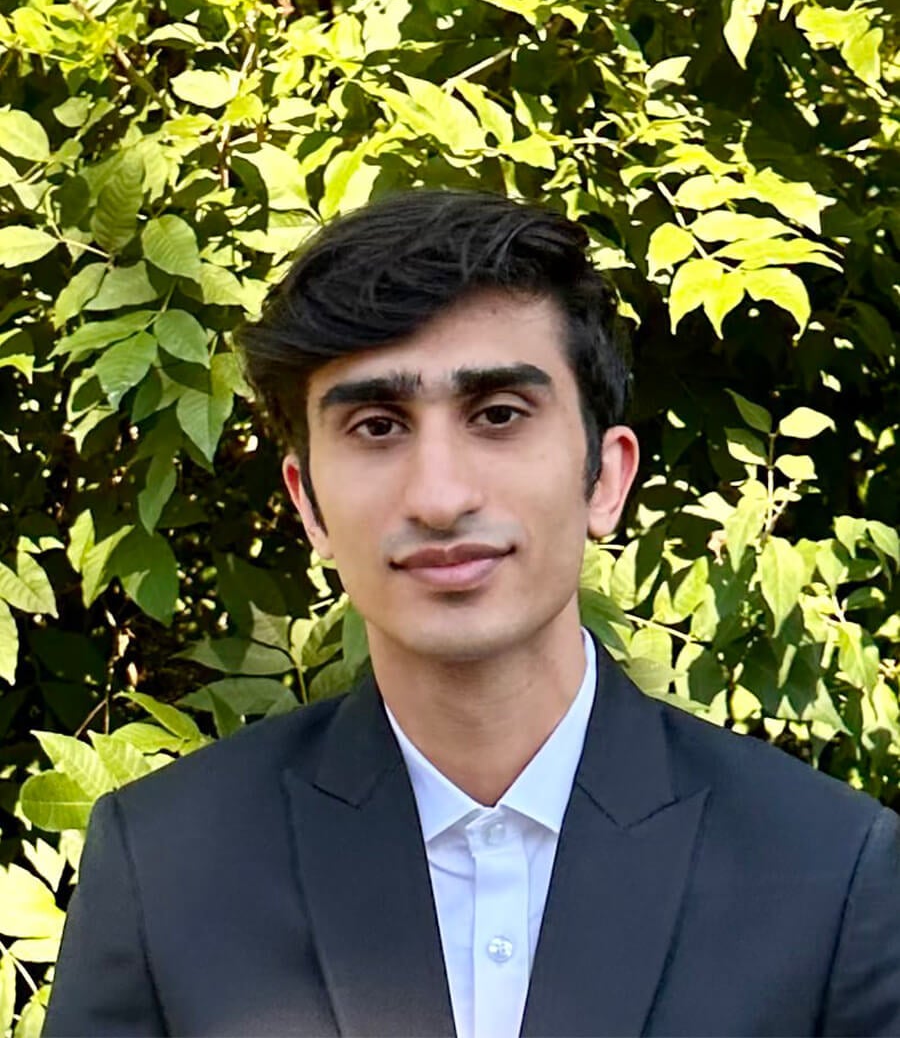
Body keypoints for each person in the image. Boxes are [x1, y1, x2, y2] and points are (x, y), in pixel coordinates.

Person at [45, 190, 900, 1037]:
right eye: (378, 427)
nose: (441, 496)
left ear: (605, 478)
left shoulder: (831, 870)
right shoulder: (167, 866)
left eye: (497, 415)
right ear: (308, 507)